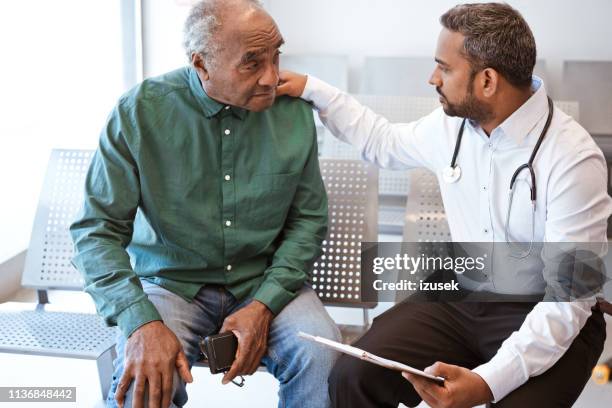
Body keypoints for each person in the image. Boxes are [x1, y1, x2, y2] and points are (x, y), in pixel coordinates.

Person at [277, 3, 611, 407]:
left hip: (550, 310)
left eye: (445, 68)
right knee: (353, 377)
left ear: (487, 80)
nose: (432, 78)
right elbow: (382, 140)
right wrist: (312, 87)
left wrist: (487, 382)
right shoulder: (451, 125)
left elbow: (569, 299)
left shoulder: (573, 158)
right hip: (463, 291)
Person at [70, 1, 340, 407]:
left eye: (276, 55)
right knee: (142, 383)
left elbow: (308, 220)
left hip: (264, 281)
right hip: (170, 284)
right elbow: (96, 230)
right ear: (201, 64)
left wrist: (264, 304)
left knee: (326, 361)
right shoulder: (139, 113)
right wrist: (140, 321)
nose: (272, 76)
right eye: (252, 63)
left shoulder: (293, 114)